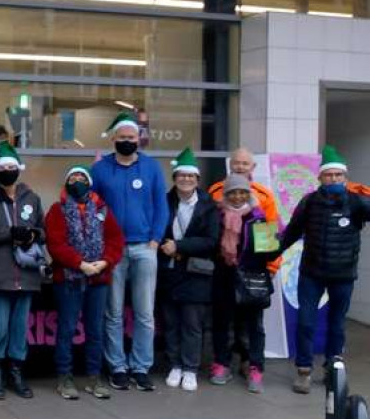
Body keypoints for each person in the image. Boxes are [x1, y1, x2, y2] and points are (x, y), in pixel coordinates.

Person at [278, 145, 370, 394]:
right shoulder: (309, 202)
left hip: (343, 275)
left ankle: (333, 368)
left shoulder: (357, 203)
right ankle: (304, 371)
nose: (333, 179)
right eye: (329, 175)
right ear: (319, 178)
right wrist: (266, 253)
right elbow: (291, 233)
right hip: (312, 274)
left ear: (345, 178)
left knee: (337, 324)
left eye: (338, 175)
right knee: (306, 322)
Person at [91, 112, 168, 392]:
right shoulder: (100, 171)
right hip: (112, 252)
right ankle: (118, 366)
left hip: (144, 247)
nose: (126, 141)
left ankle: (140, 366)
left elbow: (161, 206)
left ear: (139, 139)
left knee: (145, 312)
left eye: (131, 138)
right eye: (122, 138)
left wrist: (155, 240)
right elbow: (92, 207)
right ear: (113, 139)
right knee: (113, 312)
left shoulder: (151, 168)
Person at [45, 165, 124, 400]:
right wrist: (80, 264)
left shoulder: (103, 210)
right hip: (69, 279)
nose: (77, 181)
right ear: (66, 183)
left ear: (89, 183)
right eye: (73, 177)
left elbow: (115, 240)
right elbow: (56, 244)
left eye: (81, 177)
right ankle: (64, 377)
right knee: (67, 329)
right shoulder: (56, 210)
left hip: (99, 278)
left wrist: (104, 262)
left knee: (95, 330)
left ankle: (93, 377)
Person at [0, 142, 44, 400]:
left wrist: (32, 235)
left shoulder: (32, 198)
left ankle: (16, 373)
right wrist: (9, 233)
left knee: (18, 328)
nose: (7, 171)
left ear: (19, 170)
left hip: (26, 276)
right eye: (2, 168)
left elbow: (43, 232)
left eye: (11, 167)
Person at [208, 146, 282, 376]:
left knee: (252, 322)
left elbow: (272, 237)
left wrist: (271, 266)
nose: (240, 167)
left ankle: (251, 362)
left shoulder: (264, 197)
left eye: (245, 164)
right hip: (224, 268)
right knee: (224, 319)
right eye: (236, 163)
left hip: (253, 269)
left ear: (253, 167)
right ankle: (223, 362)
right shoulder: (216, 192)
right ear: (231, 165)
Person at [157, 149, 218, 393]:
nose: (186, 180)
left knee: (192, 324)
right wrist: (166, 246)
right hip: (169, 271)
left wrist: (179, 246)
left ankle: (191, 368)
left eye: (190, 177)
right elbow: (157, 229)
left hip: (195, 273)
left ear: (197, 180)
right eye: (181, 176)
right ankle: (175, 364)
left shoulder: (208, 206)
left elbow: (212, 240)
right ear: (174, 178)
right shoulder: (164, 200)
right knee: (170, 322)